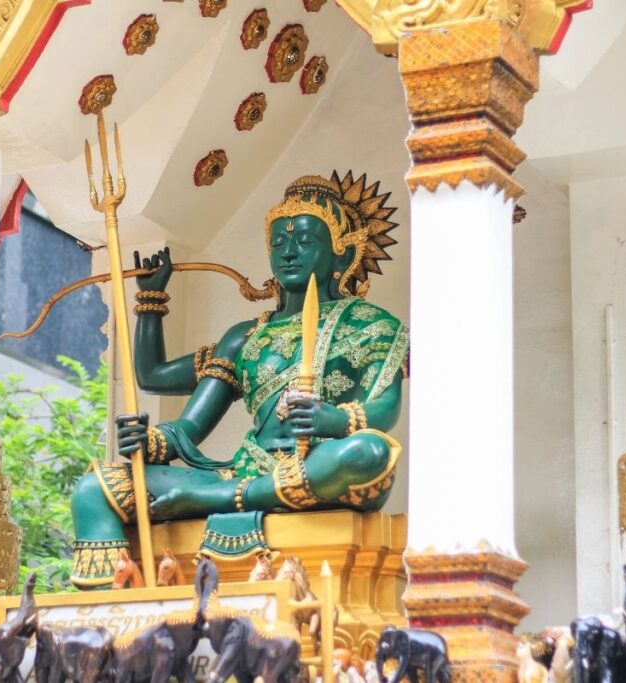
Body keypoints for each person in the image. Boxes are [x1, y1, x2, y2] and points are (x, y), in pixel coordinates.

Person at [70, 172, 408, 588]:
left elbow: (385, 408)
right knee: (93, 489)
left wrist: (333, 422)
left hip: (323, 467)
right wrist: (150, 439)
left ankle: (212, 500)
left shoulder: (372, 324)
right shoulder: (246, 336)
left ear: (343, 254)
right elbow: (172, 403)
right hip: (246, 469)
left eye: (304, 242)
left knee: (369, 451)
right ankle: (110, 619)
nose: (288, 253)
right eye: (279, 243)